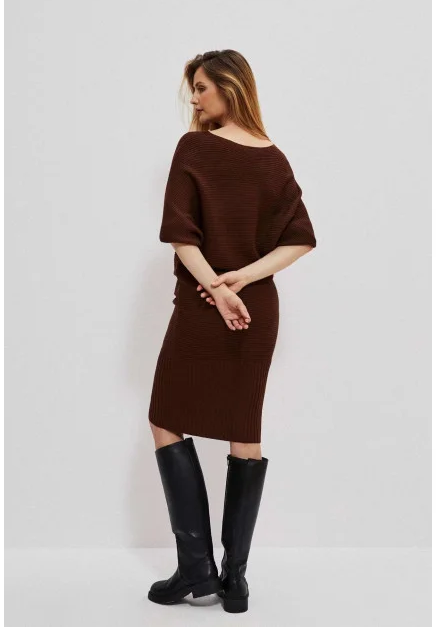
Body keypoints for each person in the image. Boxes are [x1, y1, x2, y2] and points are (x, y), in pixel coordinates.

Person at [147, 50, 317, 613]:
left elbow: (181, 235)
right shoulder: (274, 157)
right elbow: (299, 240)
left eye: (200, 87)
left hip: (204, 304)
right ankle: (234, 581)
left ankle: (197, 571)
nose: (194, 99)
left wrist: (222, 288)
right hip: (254, 307)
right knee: (245, 431)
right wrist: (243, 279)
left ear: (229, 86)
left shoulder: (194, 148)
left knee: (166, 419)